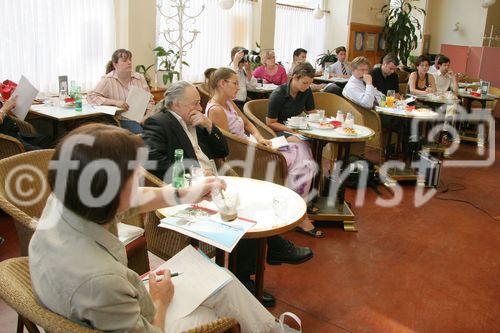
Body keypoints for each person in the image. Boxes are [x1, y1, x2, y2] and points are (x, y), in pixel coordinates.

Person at [29, 123, 297, 333]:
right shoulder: (99, 280)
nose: (139, 179)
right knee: (220, 314)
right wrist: (160, 300)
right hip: (135, 312)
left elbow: (137, 197)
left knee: (222, 282)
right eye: (134, 175)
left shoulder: (67, 198)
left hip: (100, 306)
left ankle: (272, 330)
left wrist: (188, 193)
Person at [142, 81, 314, 307]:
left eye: (199, 102)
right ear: (175, 104)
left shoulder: (195, 120)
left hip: (216, 178)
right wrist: (192, 172)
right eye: (194, 103)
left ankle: (265, 255)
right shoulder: (159, 122)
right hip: (190, 186)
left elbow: (222, 151)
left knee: (255, 204)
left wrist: (210, 127)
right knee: (241, 214)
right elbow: (152, 161)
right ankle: (250, 273)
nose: (199, 106)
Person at [206, 67, 323, 238]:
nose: (238, 87)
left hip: (251, 145)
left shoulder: (229, 103)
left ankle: (296, 205)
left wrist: (260, 138)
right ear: (222, 84)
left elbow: (248, 124)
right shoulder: (216, 109)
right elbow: (228, 145)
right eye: (235, 83)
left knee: (302, 148)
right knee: (300, 158)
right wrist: (257, 146)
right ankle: (299, 211)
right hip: (242, 154)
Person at [87, 49, 155, 134]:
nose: (129, 62)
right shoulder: (107, 80)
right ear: (115, 64)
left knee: (161, 131)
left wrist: (146, 117)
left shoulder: (139, 78)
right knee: (142, 135)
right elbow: (91, 97)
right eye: (125, 60)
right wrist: (115, 102)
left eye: (130, 59)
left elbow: (150, 101)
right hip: (120, 120)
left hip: (143, 119)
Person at [267, 62, 317, 141]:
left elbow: (312, 112)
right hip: (280, 130)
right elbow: (271, 123)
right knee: (300, 141)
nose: (307, 87)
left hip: (299, 128)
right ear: (295, 77)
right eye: (305, 83)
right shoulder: (278, 94)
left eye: (310, 84)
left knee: (317, 140)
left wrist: (321, 123)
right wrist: (292, 130)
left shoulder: (306, 91)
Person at [230, 46, 258, 111]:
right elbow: (233, 81)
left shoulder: (242, 71)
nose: (243, 59)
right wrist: (236, 62)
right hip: (232, 103)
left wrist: (248, 71)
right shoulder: (228, 69)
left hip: (242, 103)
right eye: (242, 57)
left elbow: (253, 87)